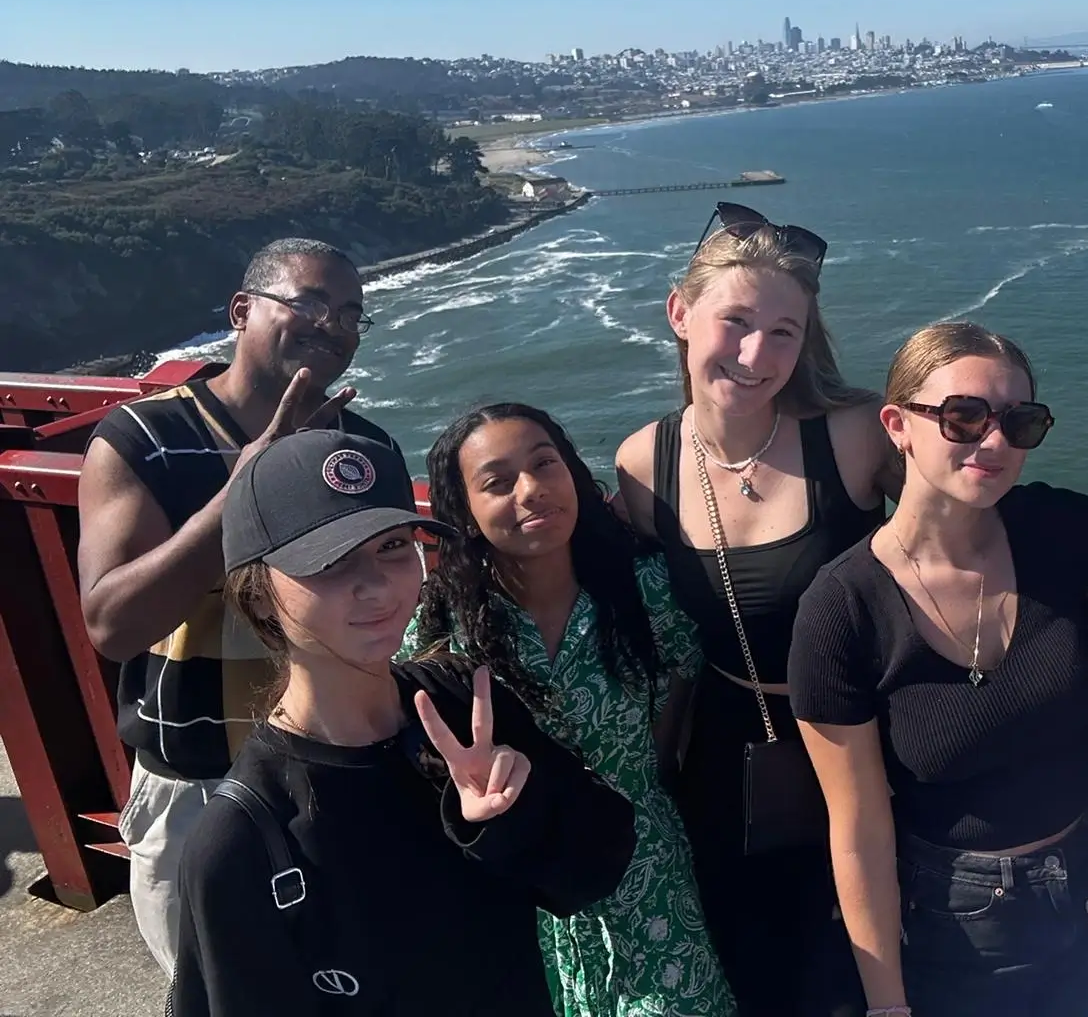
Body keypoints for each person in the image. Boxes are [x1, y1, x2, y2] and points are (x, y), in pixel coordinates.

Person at [169, 428, 637, 1016]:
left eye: (392, 546)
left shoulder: (462, 704)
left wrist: (513, 817)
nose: (376, 586)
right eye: (330, 561)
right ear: (258, 593)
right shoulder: (243, 839)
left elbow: (598, 869)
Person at [788, 321, 1088, 1017]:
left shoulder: (1056, 527)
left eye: (1019, 422)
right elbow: (859, 830)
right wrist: (886, 1004)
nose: (994, 442)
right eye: (964, 417)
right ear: (898, 426)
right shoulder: (841, 609)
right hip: (957, 924)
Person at [76, 236, 401, 975]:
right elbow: (112, 625)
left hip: (336, 770)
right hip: (197, 787)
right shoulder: (147, 438)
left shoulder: (361, 447)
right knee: (218, 993)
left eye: (351, 313)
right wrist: (241, 492)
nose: (333, 325)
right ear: (241, 310)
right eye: (311, 302)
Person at [613, 202, 898, 1017]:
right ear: (679, 313)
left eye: (783, 332)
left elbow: (970, 535)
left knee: (874, 968)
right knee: (762, 978)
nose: (754, 355)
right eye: (734, 322)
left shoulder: (853, 435)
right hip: (729, 764)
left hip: (871, 744)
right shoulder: (645, 464)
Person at [403, 403, 734, 1017]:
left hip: (647, 868)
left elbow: (680, 701)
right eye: (498, 482)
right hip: (523, 889)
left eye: (544, 464)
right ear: (465, 513)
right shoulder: (444, 627)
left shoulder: (645, 589)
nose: (531, 490)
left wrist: (646, 781)